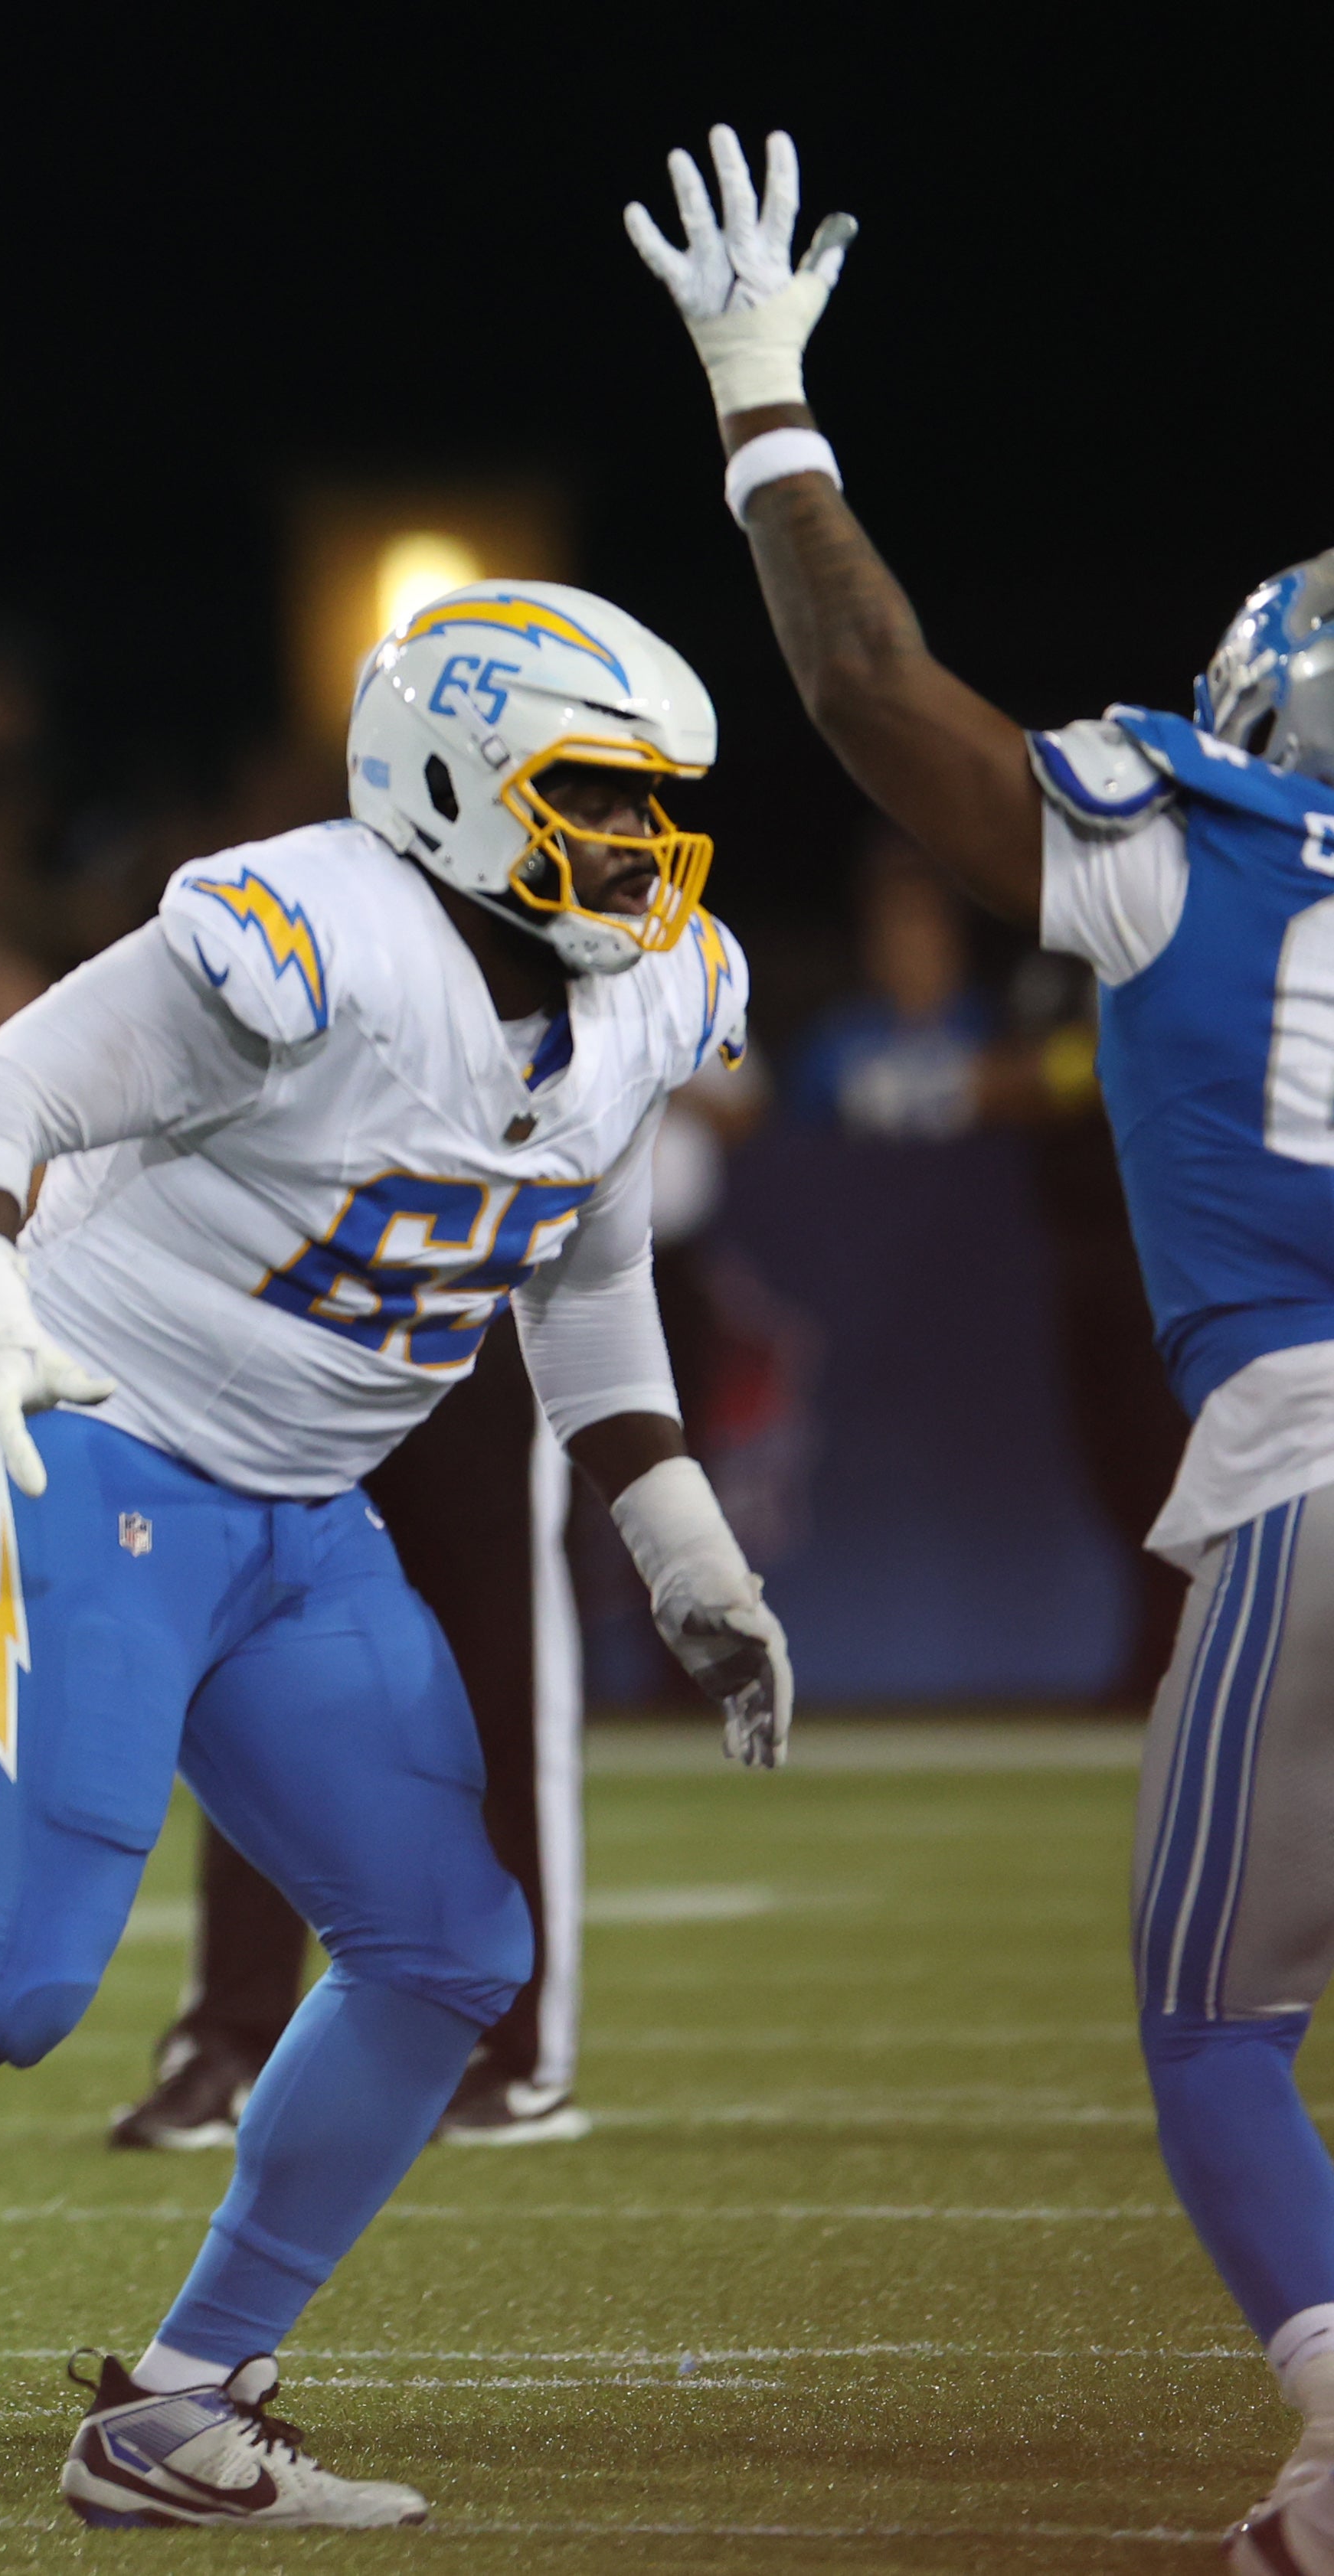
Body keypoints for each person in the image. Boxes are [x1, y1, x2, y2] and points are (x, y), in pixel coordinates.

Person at [0, 577, 793, 2529]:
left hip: (302, 1514)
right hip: (86, 1444)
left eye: (650, 800)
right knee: (22, 1969)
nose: (637, 839)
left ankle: (179, 2402)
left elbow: (587, 1275)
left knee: (450, 1946)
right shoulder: (309, 929)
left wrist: (679, 1536)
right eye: (594, 792)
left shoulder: (642, 992)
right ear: (454, 777)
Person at [620, 125, 1334, 2573]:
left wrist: (761, 401)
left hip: (1312, 1464)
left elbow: (861, 684)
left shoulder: (1177, 831)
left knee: (1214, 2027)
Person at [109, 1314, 593, 2155]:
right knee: (256, 1683)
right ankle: (232, 2036)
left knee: (496, 1682)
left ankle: (512, 2047)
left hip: (470, 1322)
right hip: (296, 1329)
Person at [786, 840, 997, 1138]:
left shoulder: (995, 1028)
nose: (910, 947)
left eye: (925, 924)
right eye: (895, 927)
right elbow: (795, 1146)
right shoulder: (832, 1044)